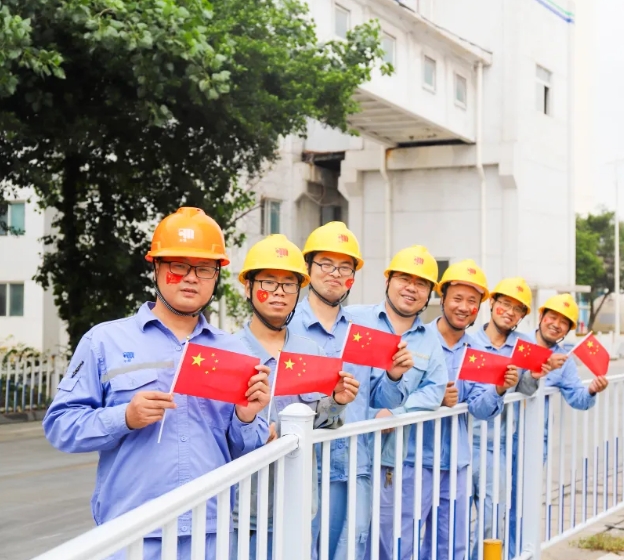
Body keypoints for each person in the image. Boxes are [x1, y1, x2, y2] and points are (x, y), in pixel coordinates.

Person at [43, 207, 271, 559]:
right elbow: (60, 426)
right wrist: (125, 417)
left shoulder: (233, 351)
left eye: (204, 268)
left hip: (208, 532)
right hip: (131, 531)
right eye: (178, 265)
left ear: (216, 276)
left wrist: (245, 417)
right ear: (156, 268)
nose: (190, 278)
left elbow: (246, 450)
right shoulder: (104, 342)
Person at [230, 234, 362, 560]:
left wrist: (338, 402)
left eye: (288, 285)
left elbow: (324, 420)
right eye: (268, 282)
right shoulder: (227, 351)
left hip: (300, 502)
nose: (279, 293)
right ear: (247, 288)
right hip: (242, 510)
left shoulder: (311, 352)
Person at [287, 222, 410, 559]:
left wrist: (394, 377)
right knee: (301, 550)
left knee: (350, 552)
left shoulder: (364, 330)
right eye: (326, 264)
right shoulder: (286, 325)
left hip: (357, 464)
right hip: (304, 467)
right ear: (308, 268)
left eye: (345, 267)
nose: (335, 274)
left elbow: (379, 398)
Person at [398, 260, 519, 560]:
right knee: (404, 540)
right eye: (458, 299)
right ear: (442, 299)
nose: (464, 307)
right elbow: (392, 396)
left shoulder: (478, 351)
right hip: (412, 459)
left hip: (456, 463)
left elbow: (479, 407)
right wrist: (433, 399)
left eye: (473, 302)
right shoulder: (414, 340)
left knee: (451, 545)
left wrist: (499, 388)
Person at [348, 245, 448, 560]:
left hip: (388, 460)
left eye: (421, 284)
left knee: (383, 543)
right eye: (404, 278)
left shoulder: (430, 339)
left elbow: (435, 388)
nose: (411, 288)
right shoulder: (354, 319)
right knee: (342, 540)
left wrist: (396, 413)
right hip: (343, 454)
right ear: (388, 279)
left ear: (429, 293)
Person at [505, 294, 609, 558]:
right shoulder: (516, 343)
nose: (556, 324)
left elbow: (578, 399)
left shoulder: (565, 360)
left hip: (532, 441)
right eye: (552, 317)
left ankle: (518, 554)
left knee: (521, 505)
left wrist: (592, 391)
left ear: (569, 329)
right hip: (498, 437)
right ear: (541, 317)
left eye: (564, 322)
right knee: (490, 505)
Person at [468, 277, 537, 559]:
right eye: (505, 304)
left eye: (517, 308)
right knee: (455, 522)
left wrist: (533, 375)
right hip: (461, 441)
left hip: (496, 446)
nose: (509, 311)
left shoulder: (525, 345)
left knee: (491, 520)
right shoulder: (468, 340)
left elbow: (528, 389)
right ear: (492, 303)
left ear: (522, 316)